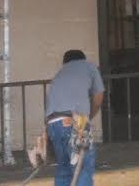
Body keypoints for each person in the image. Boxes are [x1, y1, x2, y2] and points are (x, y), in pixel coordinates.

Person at [44, 49, 105, 186]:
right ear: (83, 59)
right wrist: (88, 117)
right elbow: (98, 96)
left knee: (63, 169)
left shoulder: (60, 73)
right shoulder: (89, 66)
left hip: (52, 124)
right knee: (82, 168)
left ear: (65, 62)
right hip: (74, 122)